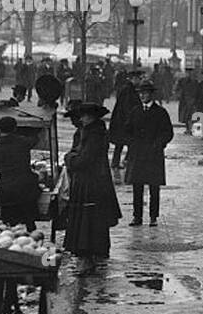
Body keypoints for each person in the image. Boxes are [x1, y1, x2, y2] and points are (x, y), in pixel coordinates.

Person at [60, 102, 122, 274]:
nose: (82, 119)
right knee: (93, 219)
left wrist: (69, 158)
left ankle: (86, 258)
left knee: (87, 220)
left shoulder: (93, 135)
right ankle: (92, 255)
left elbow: (83, 160)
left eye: (84, 116)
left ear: (92, 117)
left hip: (89, 183)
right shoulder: (92, 132)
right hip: (93, 182)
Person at [124, 80, 174, 227]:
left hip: (153, 155)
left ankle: (153, 217)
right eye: (140, 93)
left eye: (145, 93)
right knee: (137, 187)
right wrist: (131, 143)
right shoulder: (135, 111)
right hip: (138, 155)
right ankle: (137, 216)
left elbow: (168, 133)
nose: (142, 96)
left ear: (151, 95)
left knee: (154, 187)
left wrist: (158, 144)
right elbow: (127, 130)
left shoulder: (160, 112)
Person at [0, 116, 39, 231]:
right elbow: (35, 140)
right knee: (29, 221)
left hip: (6, 190)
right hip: (25, 188)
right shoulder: (23, 142)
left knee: (10, 224)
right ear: (15, 128)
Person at [109, 70, 142, 168]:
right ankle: (126, 161)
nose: (139, 81)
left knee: (121, 143)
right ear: (133, 79)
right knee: (130, 142)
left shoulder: (128, 89)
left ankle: (118, 162)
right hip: (124, 121)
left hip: (121, 120)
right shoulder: (129, 90)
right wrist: (132, 119)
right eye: (138, 79)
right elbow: (127, 107)